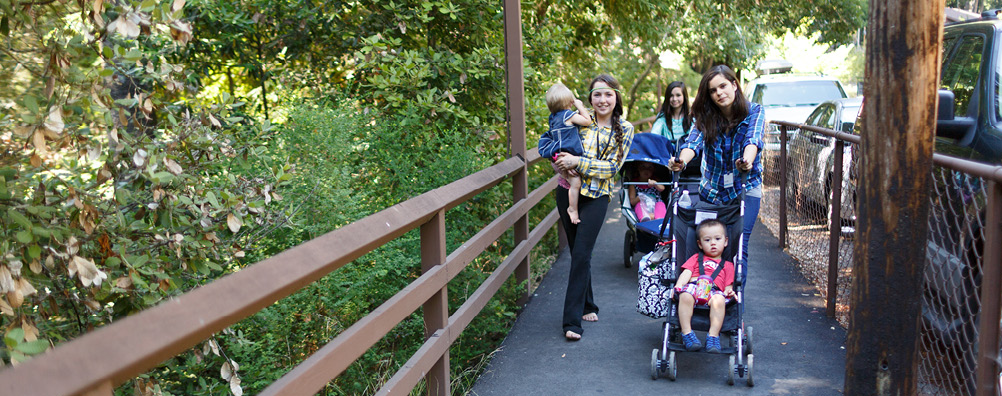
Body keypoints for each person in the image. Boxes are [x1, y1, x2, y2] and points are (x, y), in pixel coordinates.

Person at [553, 74, 635, 341]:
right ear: (589, 98)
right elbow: (557, 142)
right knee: (579, 251)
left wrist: (577, 161)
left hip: (597, 196)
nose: (602, 100)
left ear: (616, 97)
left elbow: (612, 168)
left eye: (608, 94)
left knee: (581, 253)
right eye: (597, 95)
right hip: (567, 193)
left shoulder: (625, 128)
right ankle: (588, 305)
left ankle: (571, 321)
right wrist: (557, 161)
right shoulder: (575, 118)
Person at [669, 65, 764, 278]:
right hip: (712, 191)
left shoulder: (754, 111)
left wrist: (746, 162)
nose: (719, 93)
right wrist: (680, 162)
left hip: (744, 188)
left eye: (723, 86)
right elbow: (693, 143)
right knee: (703, 244)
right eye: (713, 90)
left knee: (738, 247)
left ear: (734, 85)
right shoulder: (705, 117)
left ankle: (731, 299)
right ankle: (700, 295)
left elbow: (753, 140)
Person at [672, 219, 735, 353]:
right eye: (707, 240)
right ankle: (687, 333)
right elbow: (686, 273)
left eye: (717, 239)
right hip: (694, 284)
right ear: (700, 244)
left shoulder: (728, 265)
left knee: (720, 300)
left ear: (725, 241)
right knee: (685, 296)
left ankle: (713, 336)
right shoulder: (696, 258)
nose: (713, 243)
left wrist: (729, 292)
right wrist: (678, 285)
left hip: (714, 290)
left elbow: (728, 285)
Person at [538, 83, 593, 224]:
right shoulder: (568, 115)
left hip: (557, 159)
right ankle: (572, 209)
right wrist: (580, 106)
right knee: (576, 184)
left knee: (571, 180)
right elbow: (587, 121)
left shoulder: (553, 117)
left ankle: (572, 200)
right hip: (567, 160)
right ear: (569, 102)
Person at [650, 81, 692, 145]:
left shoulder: (692, 117)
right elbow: (654, 134)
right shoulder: (663, 117)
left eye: (678, 95)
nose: (674, 99)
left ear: (684, 96)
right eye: (671, 96)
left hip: (688, 153)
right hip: (668, 153)